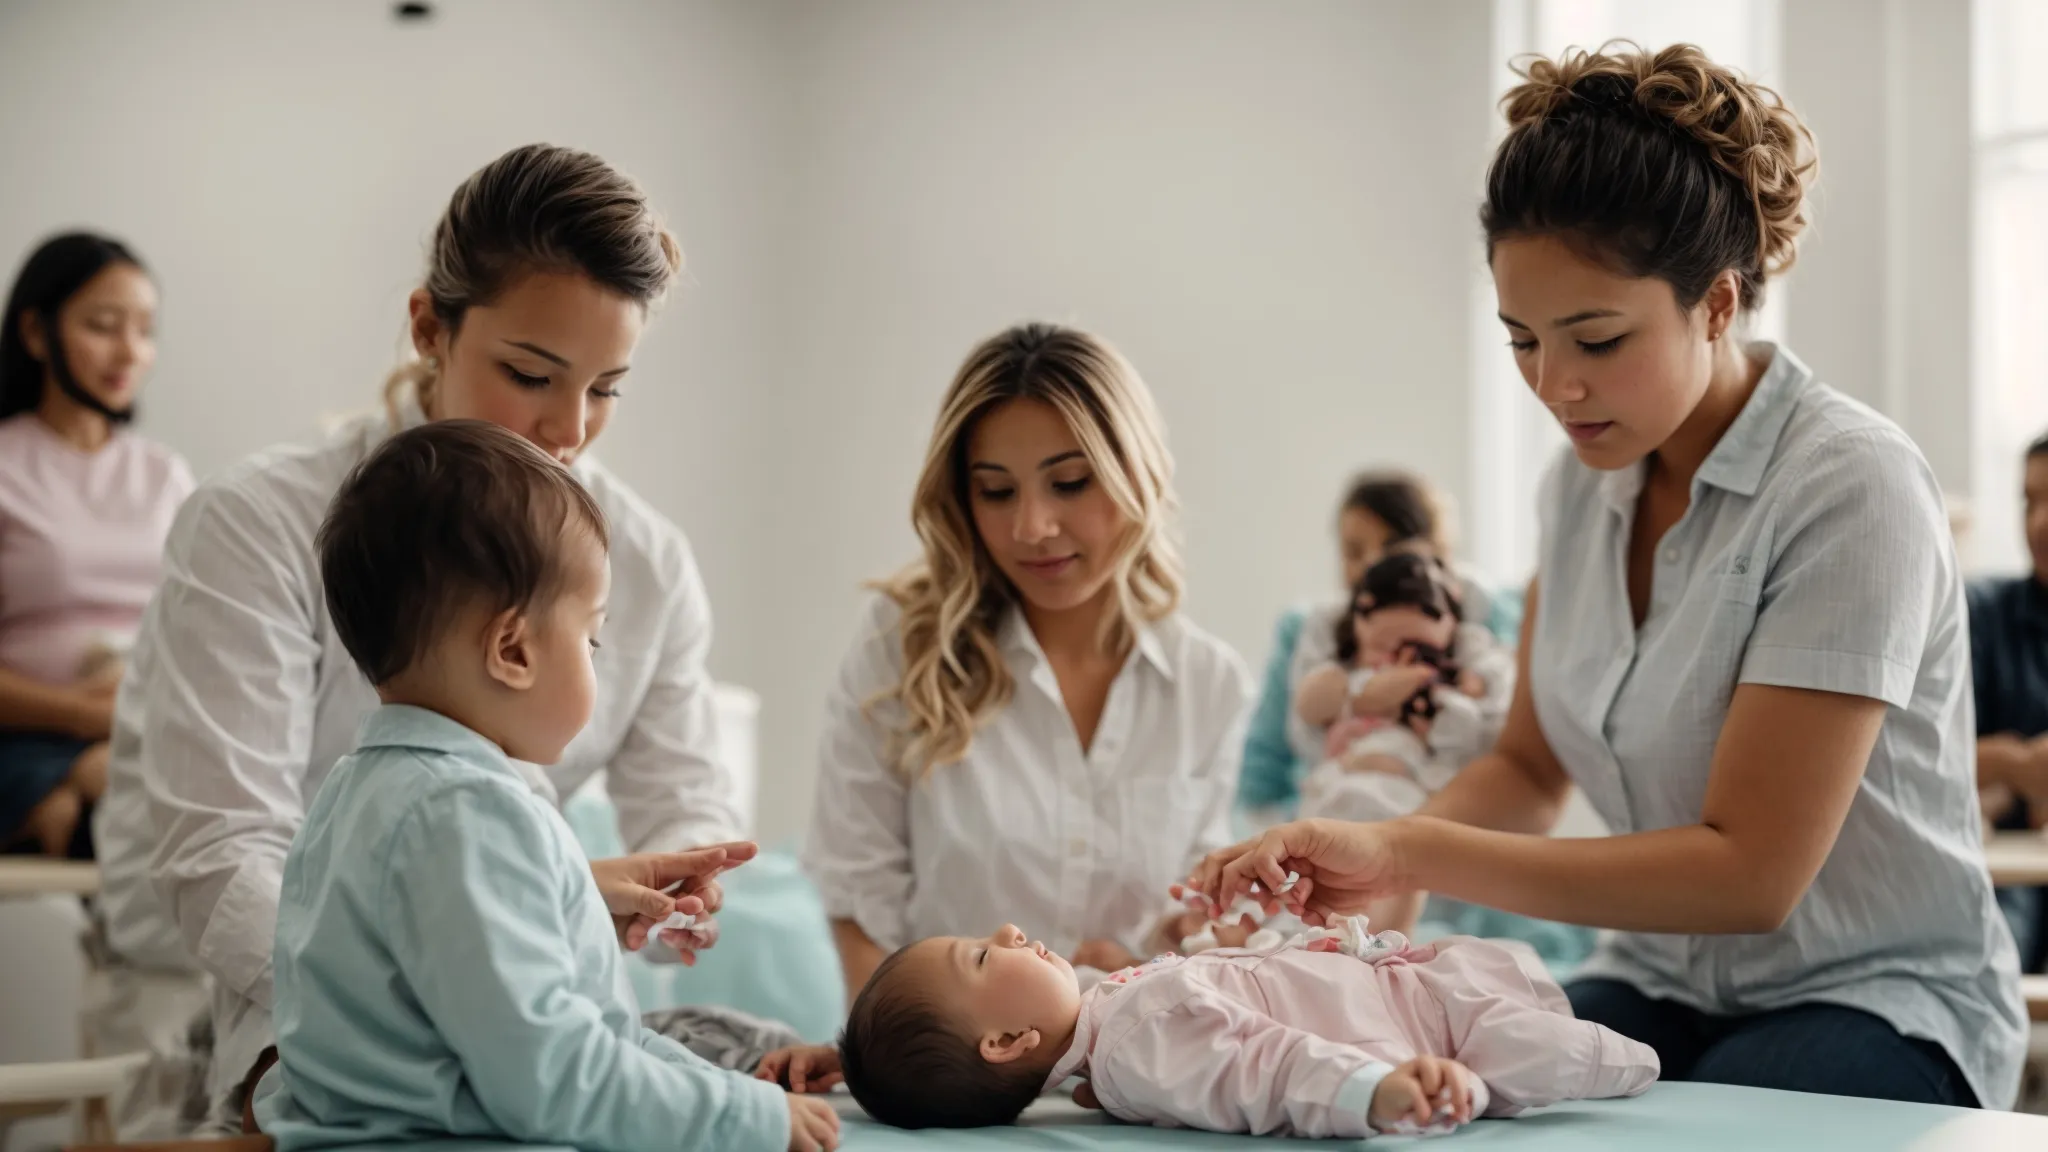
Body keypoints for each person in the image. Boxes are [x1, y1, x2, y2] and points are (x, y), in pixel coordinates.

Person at [1185, 42, 2025, 1110]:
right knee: (1398, 1093)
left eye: (1594, 337)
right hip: (1660, 979)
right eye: (1521, 340)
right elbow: (1530, 769)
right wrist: (1366, 886)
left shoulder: (1849, 487)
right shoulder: (1580, 487)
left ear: (1716, 306)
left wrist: (1407, 848)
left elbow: (1750, 875)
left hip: (1879, 998)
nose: (1553, 385)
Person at [90, 143, 757, 1136]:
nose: (566, 429)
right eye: (530, 373)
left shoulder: (647, 565)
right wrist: (419, 999)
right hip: (239, 990)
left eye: (606, 387)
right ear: (427, 329)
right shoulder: (258, 525)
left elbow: (684, 806)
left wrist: (665, 892)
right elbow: (224, 853)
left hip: (498, 991)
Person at [250, 420, 836, 1152]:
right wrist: (747, 1120)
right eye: (590, 640)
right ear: (513, 649)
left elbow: (596, 1038)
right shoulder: (468, 813)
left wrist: (729, 1094)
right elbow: (556, 1076)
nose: (595, 660)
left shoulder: (354, 793)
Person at [802, 323, 1255, 1003]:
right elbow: (856, 905)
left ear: (1139, 472)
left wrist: (1164, 953)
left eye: (1069, 483)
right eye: (997, 491)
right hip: (945, 1082)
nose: (1032, 527)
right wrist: (922, 1068)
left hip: (1134, 1075)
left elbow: (1199, 934)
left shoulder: (1209, 687)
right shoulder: (899, 647)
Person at [834, 921, 1656, 1136]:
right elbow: (1261, 1071)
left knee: (1550, 1023)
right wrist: (1370, 1090)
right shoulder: (1134, 1045)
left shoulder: (1104, 1033)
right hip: (1424, 1029)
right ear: (1007, 1044)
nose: (1009, 932)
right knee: (1588, 1058)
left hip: (1405, 990)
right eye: (983, 957)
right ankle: (1650, 1066)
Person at [0, 232, 192, 858]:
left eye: (144, 329)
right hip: (28, 731)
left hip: (144, 728)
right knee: (112, 783)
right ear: (35, 333)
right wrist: (82, 714)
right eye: (105, 326)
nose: (129, 352)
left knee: (122, 780)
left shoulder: (165, 474)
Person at [1237, 471, 1514, 817]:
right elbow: (1273, 760)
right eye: (1352, 551)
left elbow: (1506, 731)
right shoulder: (1316, 627)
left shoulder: (1479, 617)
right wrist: (1360, 700)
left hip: (1446, 811)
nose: (1370, 564)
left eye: (1391, 547)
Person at [1293, 551, 1513, 825]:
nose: (1400, 660)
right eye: (1382, 647)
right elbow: (1308, 704)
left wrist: (1468, 689)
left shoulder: (1466, 661)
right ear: (1358, 629)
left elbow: (1496, 695)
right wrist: (1357, 697)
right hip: (1350, 778)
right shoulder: (1349, 672)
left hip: (1420, 793)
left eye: (1420, 650)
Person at [1969, 430, 2048, 975]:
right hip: (2006, 873)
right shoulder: (1983, 611)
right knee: (1994, 954)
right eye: (2029, 501)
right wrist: (2017, 767)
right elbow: (1932, 756)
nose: (2039, 522)